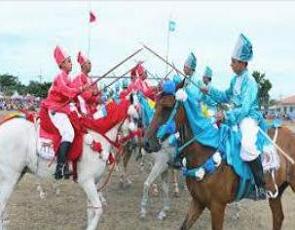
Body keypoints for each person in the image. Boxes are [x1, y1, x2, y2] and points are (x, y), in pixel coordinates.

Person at [201, 34, 266, 198]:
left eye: (234, 62)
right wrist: (209, 90)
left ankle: (260, 187)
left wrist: (226, 115)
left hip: (249, 117)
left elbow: (244, 109)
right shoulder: (234, 80)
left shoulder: (250, 82)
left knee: (247, 146)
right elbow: (224, 96)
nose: (231, 64)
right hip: (235, 115)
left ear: (243, 63)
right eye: (231, 61)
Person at [42, 46, 83, 180]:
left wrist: (82, 90)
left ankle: (66, 163)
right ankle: (60, 167)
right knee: (68, 133)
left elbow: (73, 89)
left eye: (71, 61)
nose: (71, 63)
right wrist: (79, 89)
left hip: (62, 108)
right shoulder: (60, 77)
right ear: (62, 64)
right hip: (54, 109)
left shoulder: (68, 78)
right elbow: (66, 91)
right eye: (69, 61)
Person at [71, 51, 99, 115]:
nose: (90, 65)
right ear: (83, 65)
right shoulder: (78, 78)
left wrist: (97, 93)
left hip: (92, 110)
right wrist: (92, 92)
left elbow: (96, 92)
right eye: (88, 63)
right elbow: (81, 95)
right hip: (83, 112)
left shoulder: (91, 79)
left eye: (90, 63)